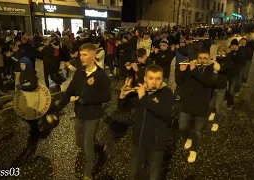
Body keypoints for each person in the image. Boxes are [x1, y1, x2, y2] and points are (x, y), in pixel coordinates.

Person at [48, 43, 111, 180]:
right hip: (79, 114)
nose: (81, 57)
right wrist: (57, 109)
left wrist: (85, 99)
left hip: (93, 115)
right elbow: (69, 91)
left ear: (93, 56)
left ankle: (88, 173)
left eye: (84, 55)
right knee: (79, 142)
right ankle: (99, 148)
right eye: (80, 54)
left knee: (88, 144)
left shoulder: (101, 76)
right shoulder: (79, 73)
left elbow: (107, 96)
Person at [118, 65, 174, 180]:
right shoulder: (140, 92)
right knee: (133, 172)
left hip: (156, 142)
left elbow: (165, 113)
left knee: (154, 174)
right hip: (138, 140)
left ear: (162, 79)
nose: (154, 82)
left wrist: (143, 98)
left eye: (158, 79)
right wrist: (122, 96)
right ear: (145, 79)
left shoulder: (166, 93)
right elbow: (123, 109)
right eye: (151, 78)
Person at [175, 50, 219, 163]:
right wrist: (181, 71)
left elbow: (208, 82)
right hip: (187, 103)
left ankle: (194, 150)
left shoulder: (212, 70)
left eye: (205, 58)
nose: (202, 60)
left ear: (209, 59)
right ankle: (189, 137)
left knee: (197, 131)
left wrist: (193, 69)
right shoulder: (191, 68)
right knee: (182, 127)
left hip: (202, 106)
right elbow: (179, 82)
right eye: (200, 57)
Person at [16, 57, 40, 146]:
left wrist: (23, 87)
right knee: (27, 115)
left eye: (23, 65)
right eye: (21, 65)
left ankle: (36, 133)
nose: (22, 66)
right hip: (26, 96)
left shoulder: (31, 73)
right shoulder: (23, 73)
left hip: (32, 97)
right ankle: (33, 129)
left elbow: (33, 86)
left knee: (32, 116)